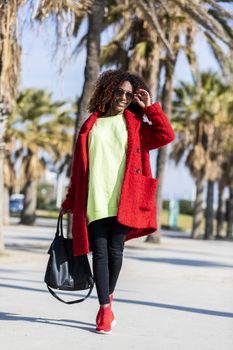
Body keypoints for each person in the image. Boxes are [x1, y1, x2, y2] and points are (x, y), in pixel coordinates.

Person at [61, 69, 175, 334]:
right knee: (99, 253)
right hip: (96, 198)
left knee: (115, 251)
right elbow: (79, 168)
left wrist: (150, 109)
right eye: (119, 92)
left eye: (129, 94)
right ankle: (104, 309)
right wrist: (70, 198)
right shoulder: (91, 125)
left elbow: (165, 135)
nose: (123, 98)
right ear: (108, 91)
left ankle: (108, 298)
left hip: (125, 198)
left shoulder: (136, 125)